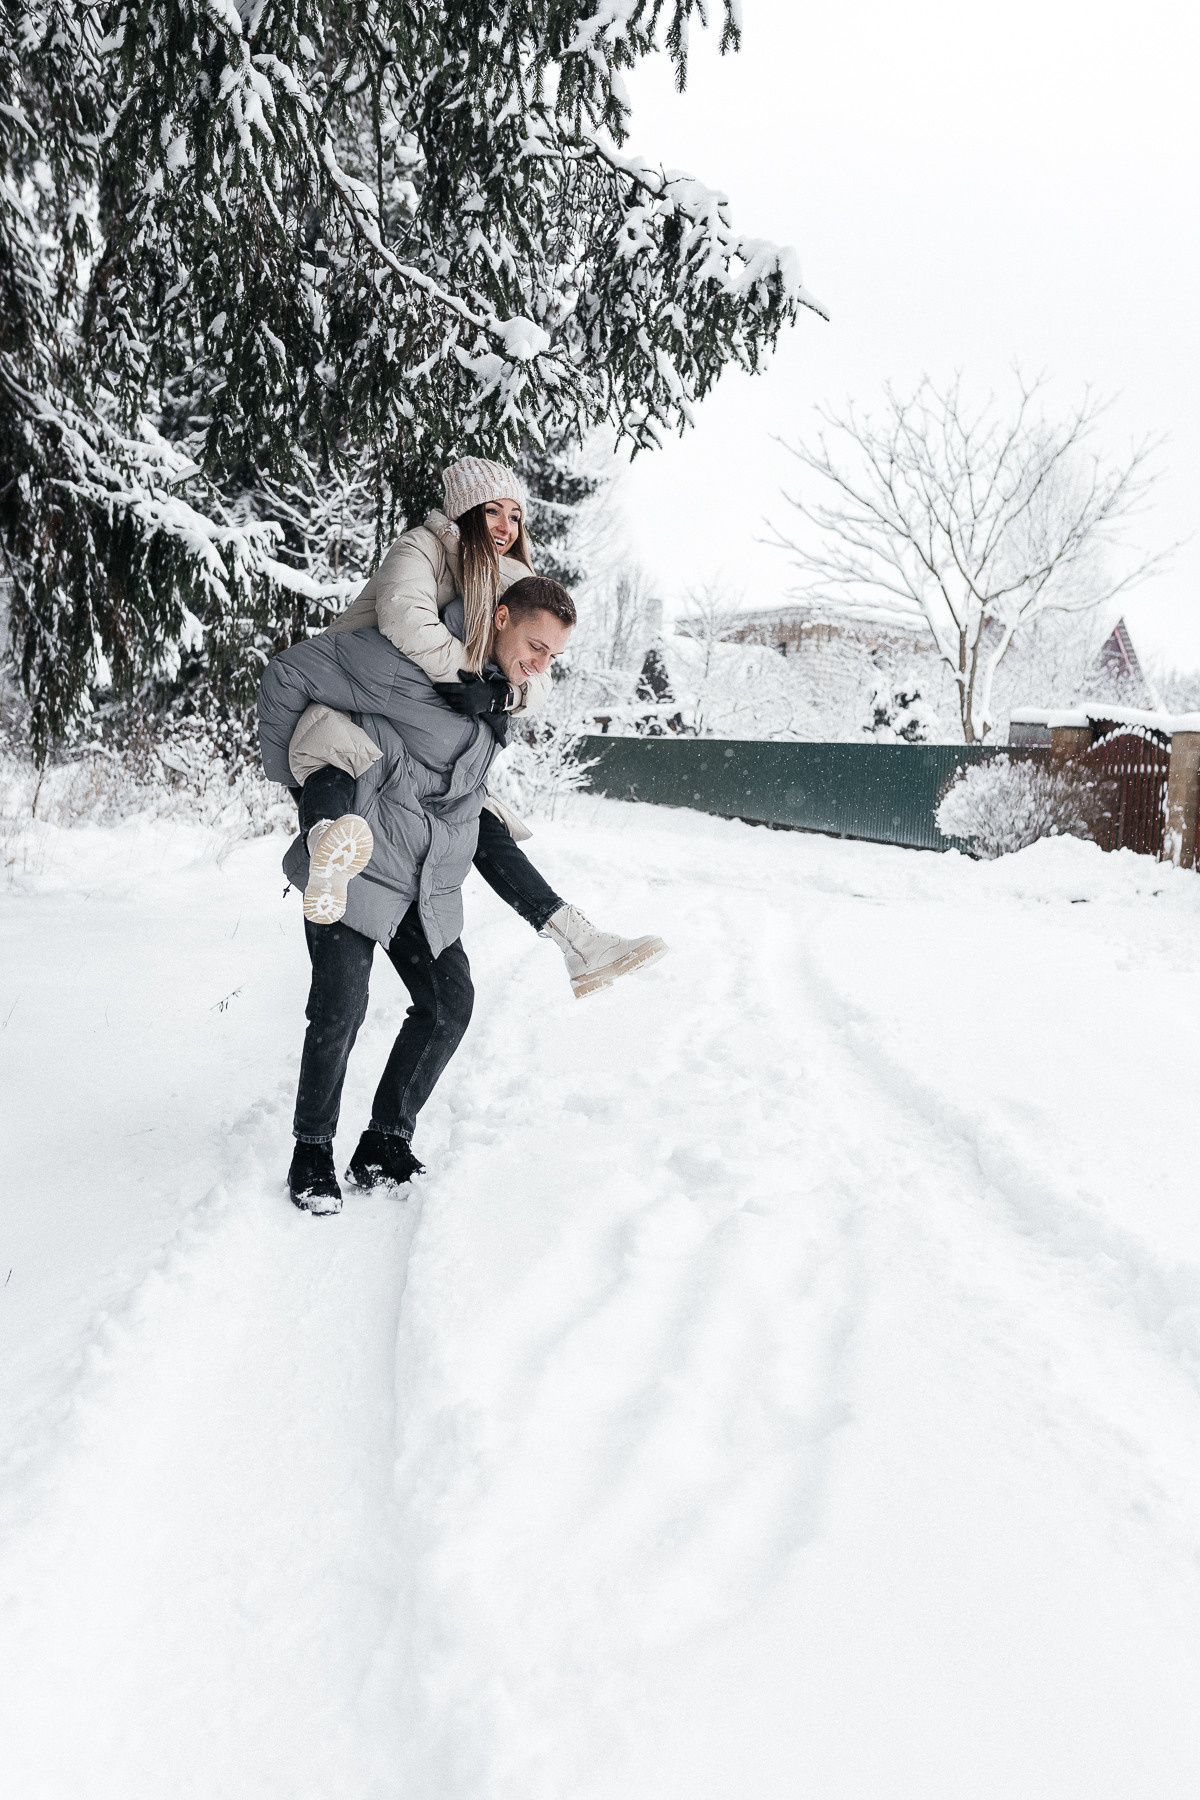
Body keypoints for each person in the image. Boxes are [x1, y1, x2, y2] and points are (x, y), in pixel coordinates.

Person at [258, 574, 663, 1217]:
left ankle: (384, 1142)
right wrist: (295, 779)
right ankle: (312, 1152)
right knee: (342, 1005)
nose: (540, 664)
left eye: (552, 656)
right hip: (357, 855)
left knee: (451, 999)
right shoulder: (408, 661)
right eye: (535, 645)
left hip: (422, 868)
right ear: (499, 618)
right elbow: (289, 672)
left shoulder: (497, 698)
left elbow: (452, 789)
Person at [287, 456, 667, 998]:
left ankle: (576, 940)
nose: (506, 526)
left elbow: (539, 670)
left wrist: (501, 692)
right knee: (337, 753)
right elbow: (405, 619)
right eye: (492, 510)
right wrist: (470, 675)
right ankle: (327, 848)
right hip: (360, 704)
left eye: (515, 515)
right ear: (463, 511)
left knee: (480, 819)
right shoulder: (419, 549)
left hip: (423, 750)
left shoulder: (512, 582)